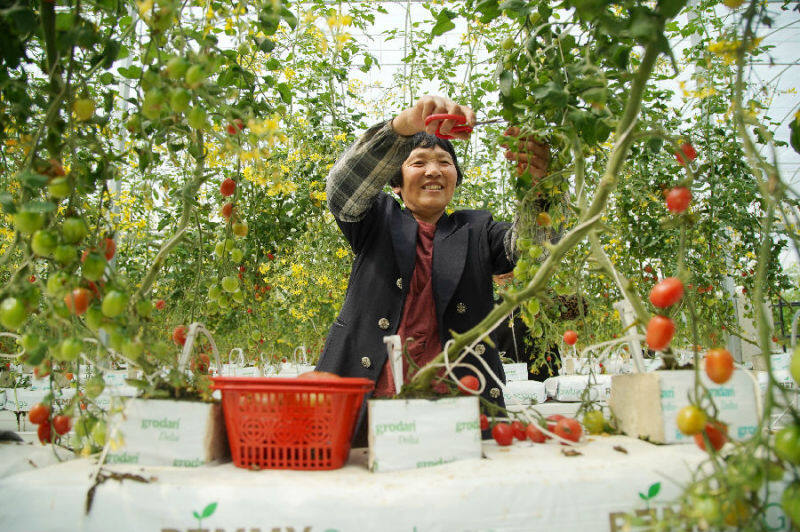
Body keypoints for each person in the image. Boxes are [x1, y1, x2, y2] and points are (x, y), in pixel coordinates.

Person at [316, 95, 551, 442]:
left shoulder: (478, 230)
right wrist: (402, 128)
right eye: (418, 162)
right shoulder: (376, 219)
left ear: (455, 178)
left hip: (458, 406)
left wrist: (538, 188)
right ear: (395, 183)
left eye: (444, 162)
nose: (433, 170)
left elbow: (530, 250)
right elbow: (343, 188)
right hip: (370, 403)